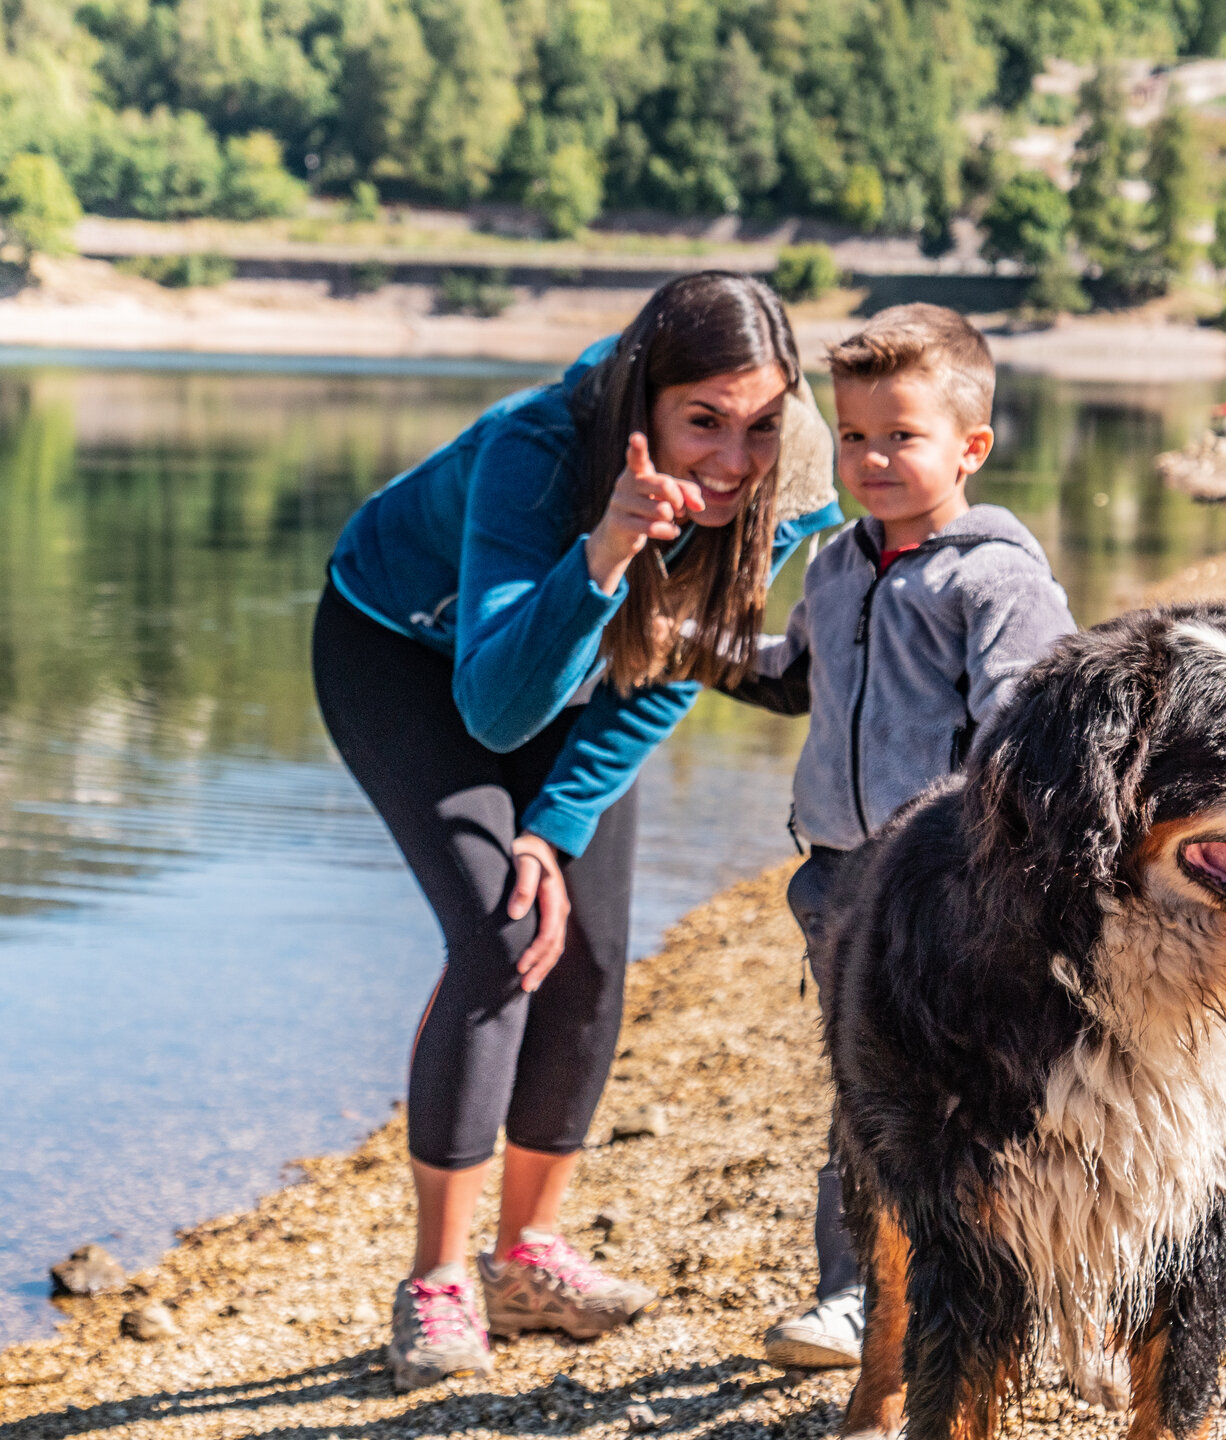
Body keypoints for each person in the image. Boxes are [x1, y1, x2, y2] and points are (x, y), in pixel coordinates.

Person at [313, 272, 841, 1391]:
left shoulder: (792, 475)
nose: (733, 460)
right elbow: (496, 706)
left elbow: (675, 662)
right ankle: (438, 1279)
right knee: (503, 938)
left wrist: (554, 826)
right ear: (640, 402)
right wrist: (603, 550)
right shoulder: (539, 449)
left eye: (759, 425)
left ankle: (526, 1257)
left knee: (592, 957)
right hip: (405, 657)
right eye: (703, 422)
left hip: (599, 659)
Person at [724, 304, 1076, 1369]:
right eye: (855, 436)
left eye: (903, 436)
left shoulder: (995, 579)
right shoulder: (834, 568)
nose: (873, 458)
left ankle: (1030, 1292)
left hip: (953, 894)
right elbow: (791, 678)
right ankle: (856, 1299)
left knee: (988, 1103)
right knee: (864, 1100)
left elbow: (1029, 724)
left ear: (970, 447)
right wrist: (678, 636)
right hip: (837, 884)